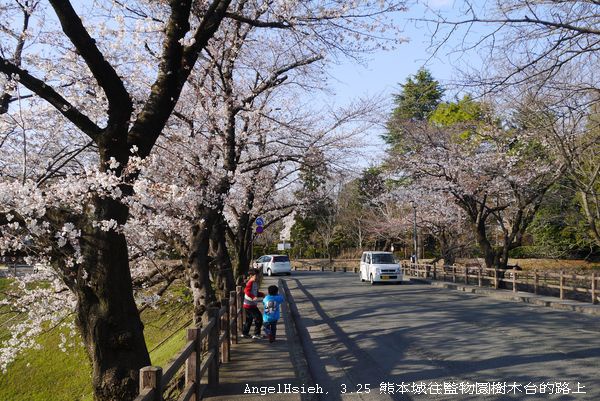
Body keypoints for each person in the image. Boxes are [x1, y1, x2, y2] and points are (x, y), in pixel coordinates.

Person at [241, 269, 265, 339]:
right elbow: (246, 291)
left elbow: (255, 292)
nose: (257, 277)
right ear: (251, 276)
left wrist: (261, 294)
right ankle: (256, 334)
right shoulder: (250, 282)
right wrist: (253, 297)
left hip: (250, 304)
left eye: (258, 275)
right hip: (249, 304)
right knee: (259, 318)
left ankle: (245, 333)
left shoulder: (255, 283)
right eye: (256, 276)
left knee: (249, 319)